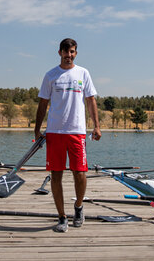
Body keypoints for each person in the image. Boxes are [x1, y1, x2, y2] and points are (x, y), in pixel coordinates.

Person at [34, 38, 102, 233]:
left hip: (77, 132)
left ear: (76, 53)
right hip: (55, 132)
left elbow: (90, 101)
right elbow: (42, 104)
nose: (68, 55)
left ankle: (78, 207)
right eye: (65, 52)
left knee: (80, 173)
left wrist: (96, 126)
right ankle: (62, 216)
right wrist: (37, 129)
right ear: (59, 53)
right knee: (56, 175)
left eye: (72, 52)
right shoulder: (51, 75)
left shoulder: (83, 73)